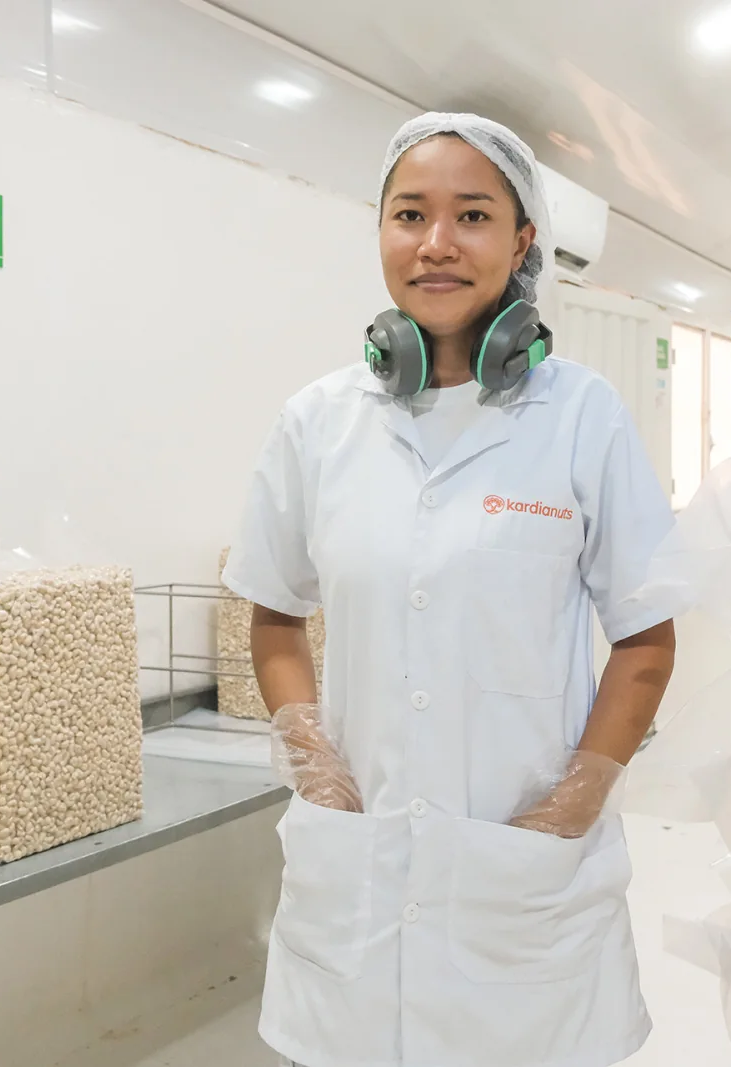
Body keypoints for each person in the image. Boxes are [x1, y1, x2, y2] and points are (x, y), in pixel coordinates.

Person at [224, 112, 678, 1067]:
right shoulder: (318, 422)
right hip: (358, 862)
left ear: (521, 243)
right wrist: (312, 755)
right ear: (380, 231)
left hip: (522, 877)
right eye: (408, 214)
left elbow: (645, 636)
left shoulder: (583, 417)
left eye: (472, 215)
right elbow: (272, 610)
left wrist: (575, 801)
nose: (436, 244)